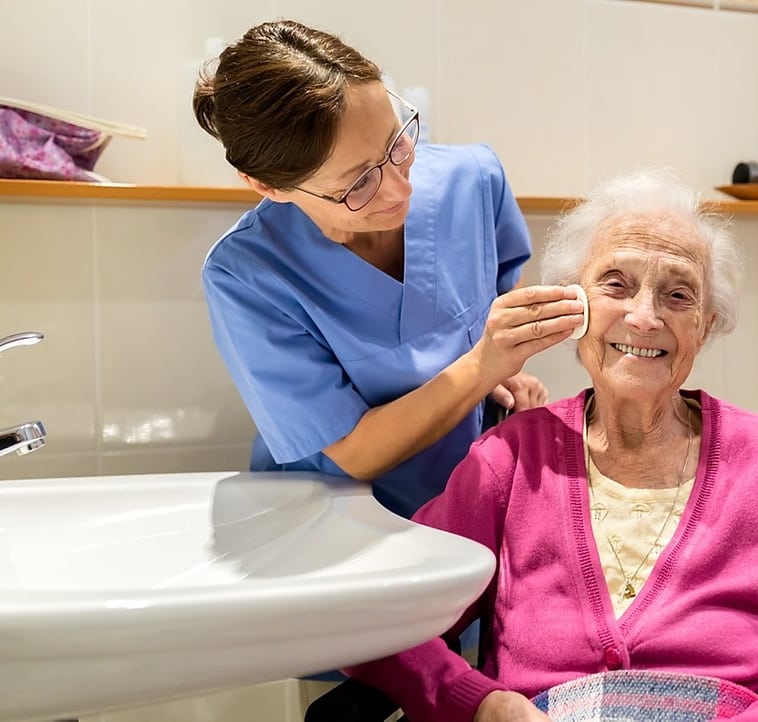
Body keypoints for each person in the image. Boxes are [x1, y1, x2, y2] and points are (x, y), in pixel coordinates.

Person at [343, 169, 758, 721]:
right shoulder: (508, 462)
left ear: (704, 328)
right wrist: (480, 703)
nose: (645, 316)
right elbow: (375, 619)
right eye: (616, 284)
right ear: (573, 306)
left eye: (677, 295)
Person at [194, 20, 583, 518]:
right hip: (328, 524)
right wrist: (483, 367)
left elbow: (502, 290)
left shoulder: (473, 178)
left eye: (396, 144)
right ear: (269, 187)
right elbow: (353, 453)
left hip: (470, 503)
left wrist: (502, 376)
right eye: (359, 184)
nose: (402, 189)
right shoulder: (246, 275)